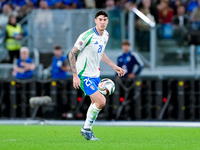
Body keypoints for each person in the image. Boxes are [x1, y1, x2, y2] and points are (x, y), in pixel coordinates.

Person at [68, 10, 125, 141]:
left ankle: (87, 130)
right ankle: (86, 129)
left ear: (107, 21)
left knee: (95, 104)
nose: (103, 22)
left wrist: (114, 66)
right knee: (101, 101)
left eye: (105, 19)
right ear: (95, 21)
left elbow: (100, 53)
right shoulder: (87, 35)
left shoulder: (106, 35)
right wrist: (75, 75)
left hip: (95, 75)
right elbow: (71, 54)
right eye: (100, 19)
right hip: (84, 76)